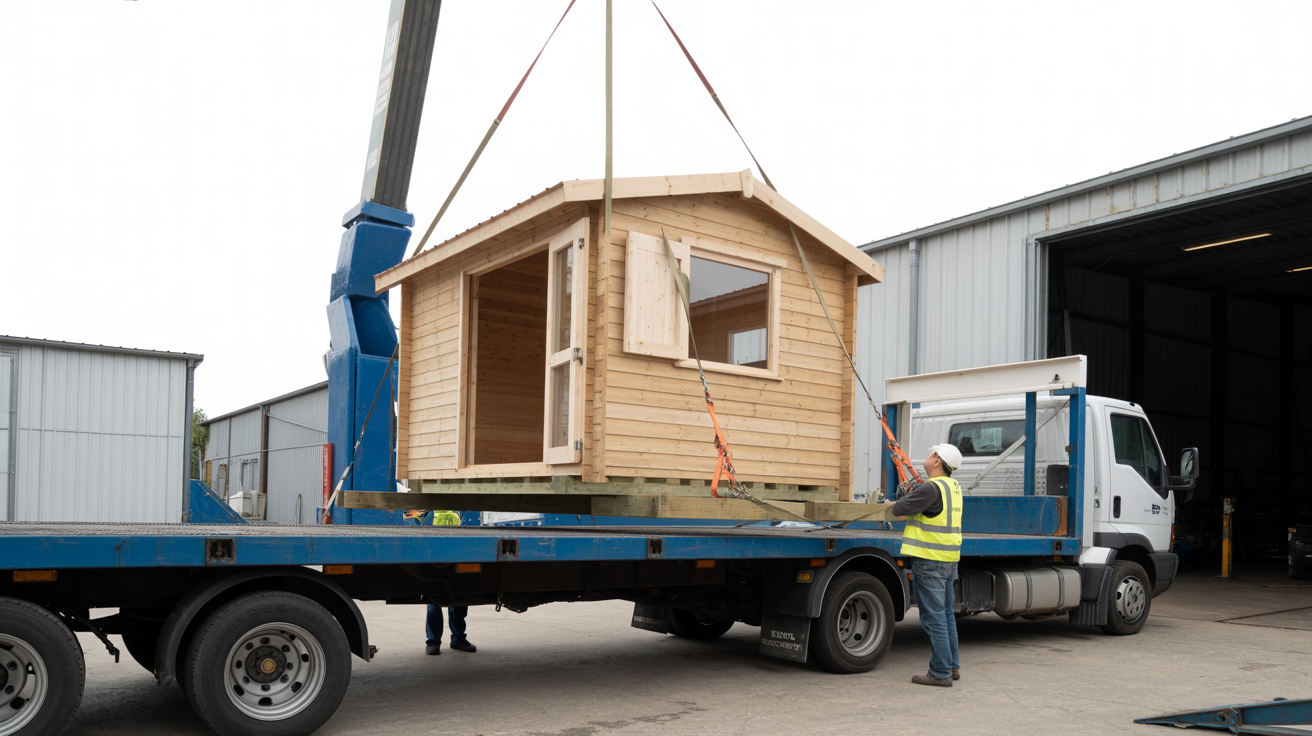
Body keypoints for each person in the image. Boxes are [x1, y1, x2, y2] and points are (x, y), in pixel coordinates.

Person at [877, 443, 964, 687]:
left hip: (930, 560)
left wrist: (885, 503)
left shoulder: (932, 488)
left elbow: (899, 511)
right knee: (946, 616)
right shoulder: (953, 487)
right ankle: (952, 666)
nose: (926, 458)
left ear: (937, 461)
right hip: (948, 560)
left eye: (930, 454)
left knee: (933, 618)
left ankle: (940, 672)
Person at [423, 509, 477, 655]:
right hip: (445, 561)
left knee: (444, 603)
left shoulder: (433, 514)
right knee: (442, 603)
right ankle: (452, 639)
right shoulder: (457, 513)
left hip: (441, 562)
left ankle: (437, 642)